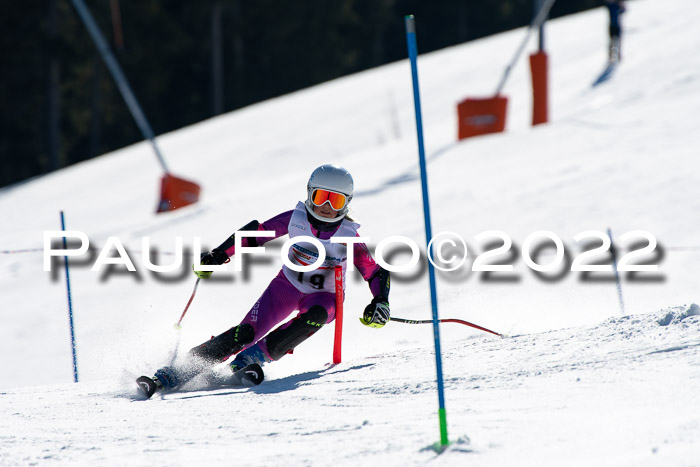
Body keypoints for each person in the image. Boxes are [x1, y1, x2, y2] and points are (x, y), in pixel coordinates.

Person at [137, 164, 391, 397]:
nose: (326, 206)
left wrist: (380, 302)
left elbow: (374, 272)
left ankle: (252, 358)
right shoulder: (296, 218)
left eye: (335, 200)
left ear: (346, 203)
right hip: (286, 287)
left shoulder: (349, 235)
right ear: (309, 194)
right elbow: (253, 235)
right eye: (320, 196)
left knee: (316, 314)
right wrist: (218, 255)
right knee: (246, 332)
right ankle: (177, 372)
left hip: (324, 297)